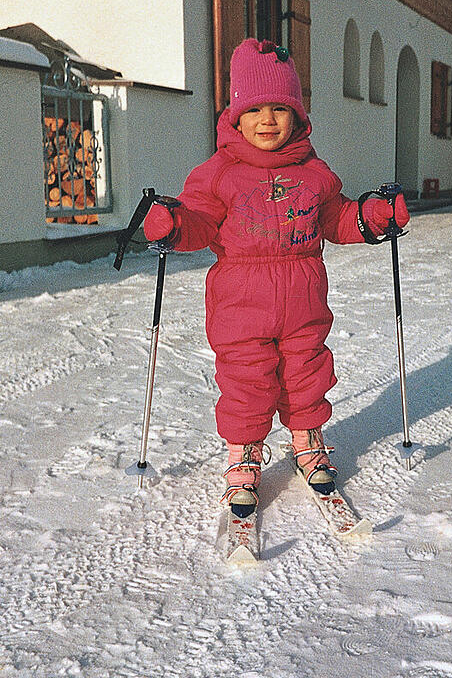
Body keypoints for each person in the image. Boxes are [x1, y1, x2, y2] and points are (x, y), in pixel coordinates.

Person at [144, 38, 409, 517]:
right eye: (255, 109)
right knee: (246, 379)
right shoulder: (218, 172)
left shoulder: (314, 172)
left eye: (280, 109)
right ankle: (244, 453)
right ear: (236, 117)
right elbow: (199, 220)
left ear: (298, 115)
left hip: (304, 297)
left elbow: (337, 218)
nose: (267, 120)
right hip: (240, 301)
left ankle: (307, 441)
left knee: (306, 371)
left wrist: (371, 216)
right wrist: (174, 224)